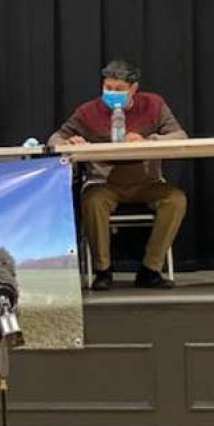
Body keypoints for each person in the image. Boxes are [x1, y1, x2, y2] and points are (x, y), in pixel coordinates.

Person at [49, 59, 188, 290]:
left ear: (133, 89)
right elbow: (55, 139)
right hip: (104, 183)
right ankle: (103, 270)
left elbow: (180, 136)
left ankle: (150, 269)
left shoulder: (154, 104)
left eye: (118, 89)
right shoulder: (87, 112)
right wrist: (69, 140)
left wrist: (148, 140)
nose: (112, 93)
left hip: (147, 181)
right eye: (108, 88)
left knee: (175, 199)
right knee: (92, 201)